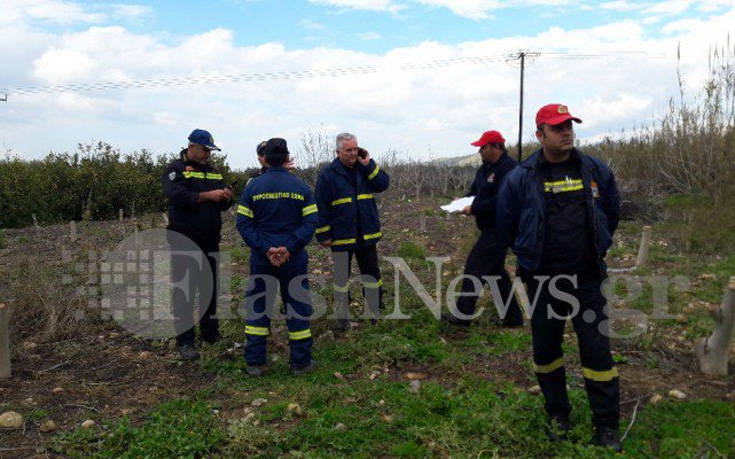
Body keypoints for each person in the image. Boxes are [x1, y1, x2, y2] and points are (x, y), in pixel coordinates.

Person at [496, 104, 622, 451]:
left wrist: (601, 242)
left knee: (597, 352)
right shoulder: (520, 177)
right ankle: (558, 415)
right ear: (540, 135)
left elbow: (611, 210)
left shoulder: (593, 169)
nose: (566, 131)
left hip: (587, 279)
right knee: (547, 351)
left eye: (569, 125)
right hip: (542, 282)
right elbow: (505, 225)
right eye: (557, 127)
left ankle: (606, 425)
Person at [236, 138, 318, 376]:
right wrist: (289, 248)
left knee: (258, 308)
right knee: (297, 307)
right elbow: (311, 222)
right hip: (294, 259)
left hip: (263, 259)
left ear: (265, 158)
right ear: (286, 158)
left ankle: (255, 363)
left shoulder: (253, 187)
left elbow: (243, 223)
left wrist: (266, 249)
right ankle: (301, 363)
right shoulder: (302, 187)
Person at [161, 129, 233, 360]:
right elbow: (177, 196)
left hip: (210, 239)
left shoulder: (212, 172)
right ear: (191, 147)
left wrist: (225, 198)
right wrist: (208, 196)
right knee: (185, 292)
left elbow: (219, 204)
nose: (207, 156)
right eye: (204, 151)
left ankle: (210, 333)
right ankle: (185, 341)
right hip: (185, 241)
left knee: (209, 289)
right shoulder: (176, 170)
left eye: (210, 151)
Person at [441, 130, 523, 327]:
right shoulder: (485, 169)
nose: (479, 151)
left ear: (495, 146)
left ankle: (463, 315)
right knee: (495, 273)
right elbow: (475, 191)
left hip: (501, 229)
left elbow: (503, 200)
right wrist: (461, 201)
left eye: (482, 147)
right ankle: (513, 318)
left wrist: (474, 208)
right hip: (488, 227)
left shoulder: (510, 169)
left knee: (474, 267)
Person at [314, 133, 390, 333]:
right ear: (338, 152)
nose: (353, 153)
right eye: (349, 150)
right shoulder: (328, 174)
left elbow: (383, 184)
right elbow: (320, 206)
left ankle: (375, 311)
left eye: (355, 149)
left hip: (366, 234)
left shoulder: (365, 169)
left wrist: (369, 164)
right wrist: (323, 234)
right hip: (341, 236)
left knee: (372, 275)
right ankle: (342, 317)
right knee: (341, 279)